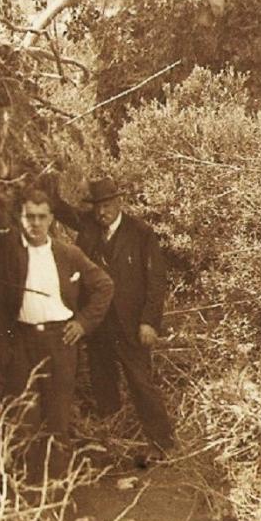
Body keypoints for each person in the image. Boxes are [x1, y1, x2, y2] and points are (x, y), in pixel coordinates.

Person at [51, 177, 175, 461]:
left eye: (106, 206)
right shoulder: (90, 227)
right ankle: (113, 442)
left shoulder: (141, 233)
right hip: (98, 323)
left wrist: (149, 322)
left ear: (118, 202)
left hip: (131, 324)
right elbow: (62, 210)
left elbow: (157, 281)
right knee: (102, 380)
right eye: (96, 207)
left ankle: (163, 442)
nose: (101, 213)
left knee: (141, 382)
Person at [0, 188, 113, 458]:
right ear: (20, 219)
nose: (35, 223)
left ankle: (57, 490)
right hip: (22, 341)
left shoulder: (68, 254)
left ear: (52, 219)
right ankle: (28, 491)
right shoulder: (11, 253)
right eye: (29, 217)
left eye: (41, 217)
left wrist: (83, 323)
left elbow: (104, 285)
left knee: (58, 418)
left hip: (61, 342)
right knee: (23, 417)